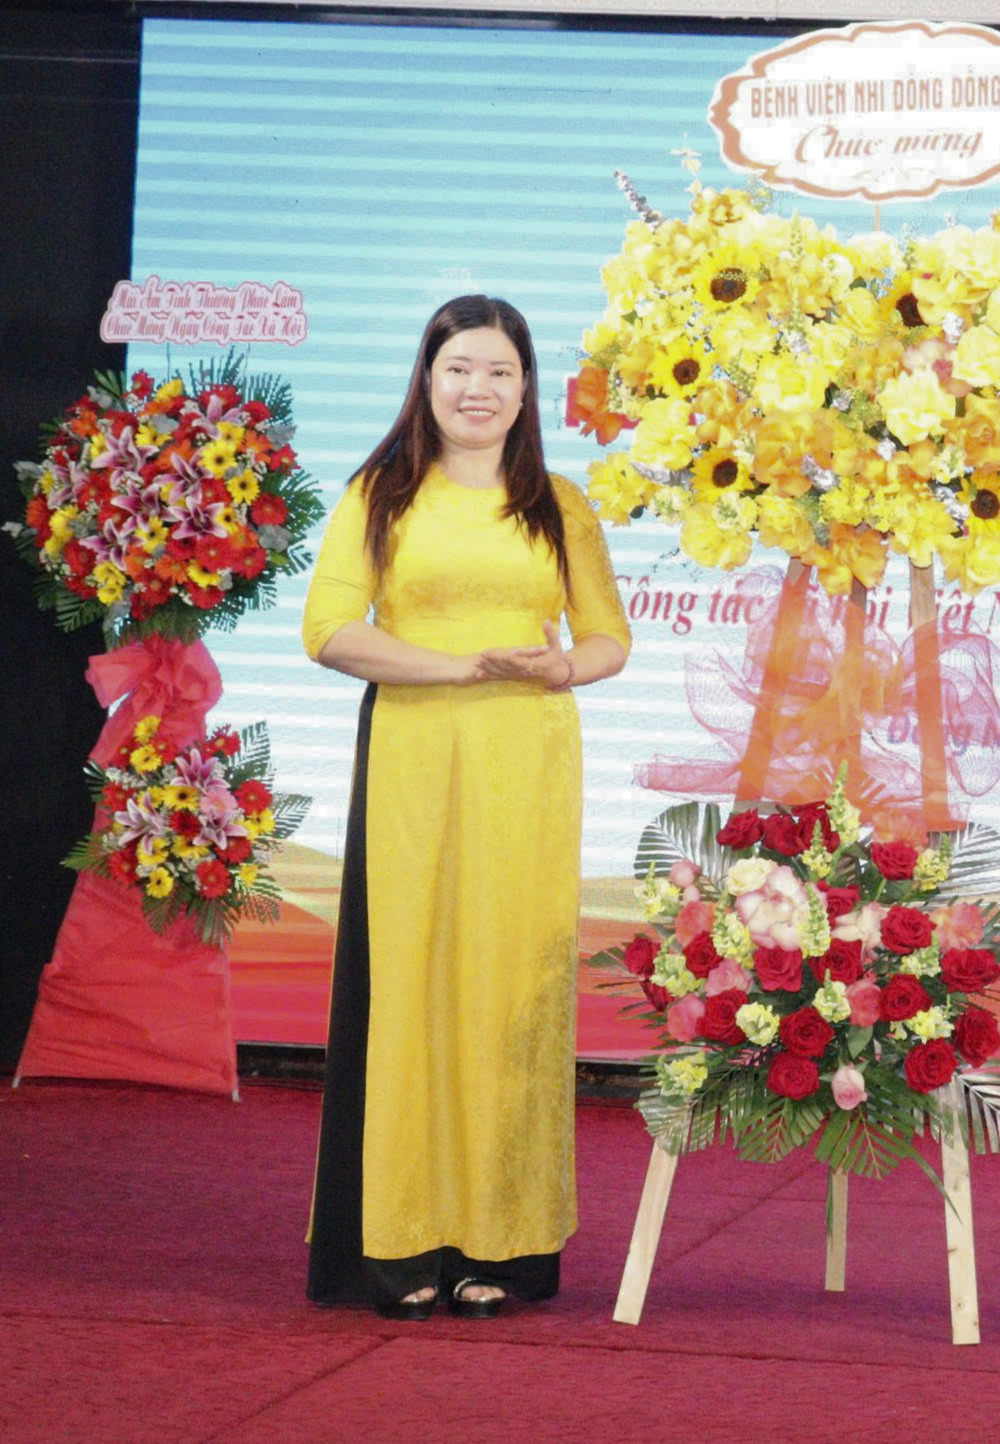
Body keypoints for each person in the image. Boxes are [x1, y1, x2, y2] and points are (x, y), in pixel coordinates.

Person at [302, 295, 631, 1320]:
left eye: (498, 372)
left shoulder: (559, 504)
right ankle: (398, 1240)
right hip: (413, 751)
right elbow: (328, 629)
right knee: (410, 980)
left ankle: (506, 1241)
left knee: (509, 987)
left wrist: (561, 667)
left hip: (527, 764)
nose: (477, 389)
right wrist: (455, 666)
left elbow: (609, 638)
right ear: (426, 379)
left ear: (527, 390)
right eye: (459, 369)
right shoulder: (380, 494)